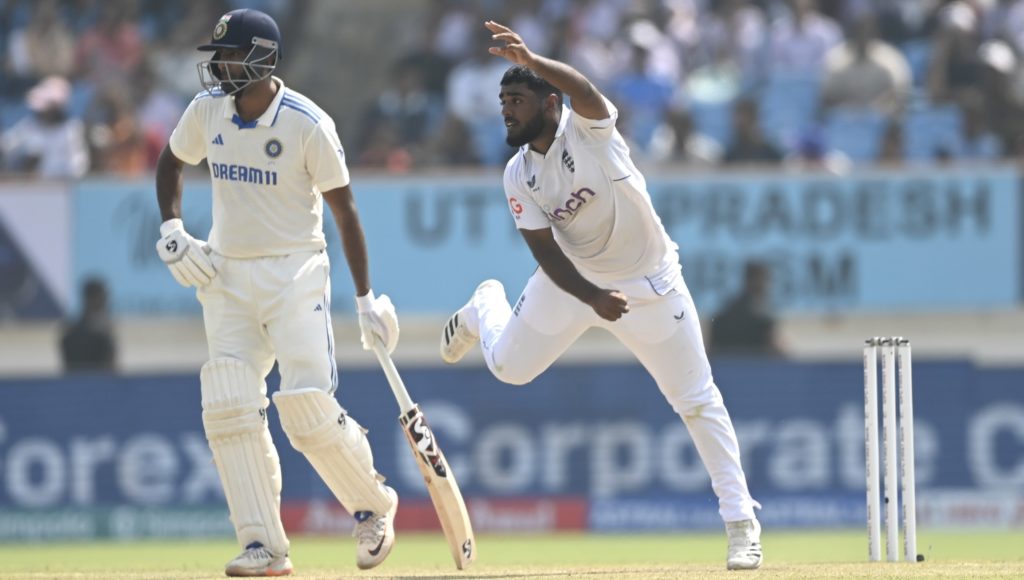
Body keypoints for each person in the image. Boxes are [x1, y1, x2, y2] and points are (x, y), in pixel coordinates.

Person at [440, 21, 763, 571]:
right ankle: (485, 305)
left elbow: (586, 91)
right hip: (574, 283)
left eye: (516, 100)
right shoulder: (518, 174)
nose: (506, 111)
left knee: (697, 400)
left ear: (548, 102)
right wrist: (591, 296)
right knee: (510, 370)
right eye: (502, 102)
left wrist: (536, 59)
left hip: (651, 284)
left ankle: (741, 525)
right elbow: (544, 253)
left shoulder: (589, 131)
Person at [154, 9, 399, 576]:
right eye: (216, 56)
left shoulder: (307, 123)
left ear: (264, 58)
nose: (218, 66)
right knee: (229, 406)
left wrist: (365, 298)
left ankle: (373, 507)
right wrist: (172, 229)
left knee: (306, 408)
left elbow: (346, 212)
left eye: (231, 55)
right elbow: (171, 163)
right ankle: (263, 546)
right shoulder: (206, 110)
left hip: (295, 274)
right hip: (227, 275)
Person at [710, 261, 784, 358]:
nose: (767, 285)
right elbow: (773, 348)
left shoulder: (726, 312)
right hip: (755, 369)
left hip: (725, 370)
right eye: (764, 279)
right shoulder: (762, 318)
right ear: (752, 280)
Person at [60, 277, 116, 372]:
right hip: (98, 382)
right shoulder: (102, 333)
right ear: (92, 299)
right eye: (103, 298)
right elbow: (110, 369)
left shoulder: (69, 331)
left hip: (76, 383)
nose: (105, 302)